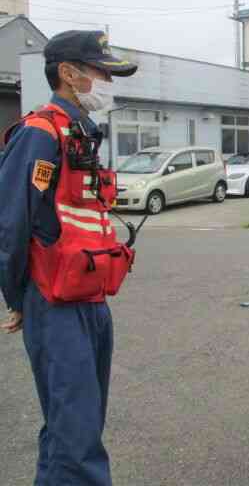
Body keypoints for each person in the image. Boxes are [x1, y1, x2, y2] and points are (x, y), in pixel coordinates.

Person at [0, 30, 138, 485]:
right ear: (68, 73)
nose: (107, 82)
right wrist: (16, 295)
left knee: (74, 425)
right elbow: (12, 222)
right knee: (77, 437)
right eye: (100, 72)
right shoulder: (38, 133)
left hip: (89, 295)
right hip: (53, 299)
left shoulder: (81, 131)